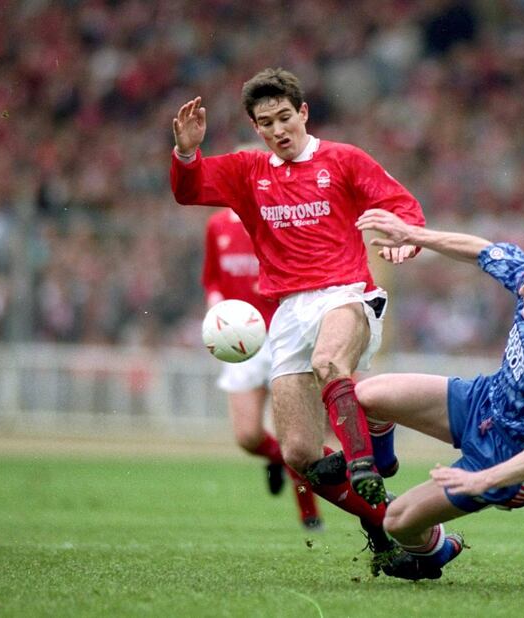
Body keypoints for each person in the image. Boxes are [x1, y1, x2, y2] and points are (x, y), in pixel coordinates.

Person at [170, 68, 426, 574]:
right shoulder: (248, 171)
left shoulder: (344, 159)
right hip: (288, 311)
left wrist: (406, 238)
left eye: (285, 117)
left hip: (348, 294)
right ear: (255, 126)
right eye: (266, 122)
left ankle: (364, 463)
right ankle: (387, 525)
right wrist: (185, 153)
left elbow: (403, 206)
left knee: (329, 359)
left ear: (303, 113)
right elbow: (190, 189)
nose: (278, 129)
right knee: (301, 454)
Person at [354, 208, 524, 581]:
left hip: (509, 460)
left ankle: (437, 550)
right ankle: (384, 466)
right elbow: (481, 251)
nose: (522, 289)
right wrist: (412, 235)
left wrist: (482, 481)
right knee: (367, 396)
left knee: (396, 521)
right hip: (484, 401)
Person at [202, 198, 322, 531]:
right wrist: (216, 306)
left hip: (283, 335)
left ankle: (308, 513)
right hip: (239, 339)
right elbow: (211, 277)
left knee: (294, 438)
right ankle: (274, 460)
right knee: (247, 435)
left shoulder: (278, 221)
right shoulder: (217, 226)